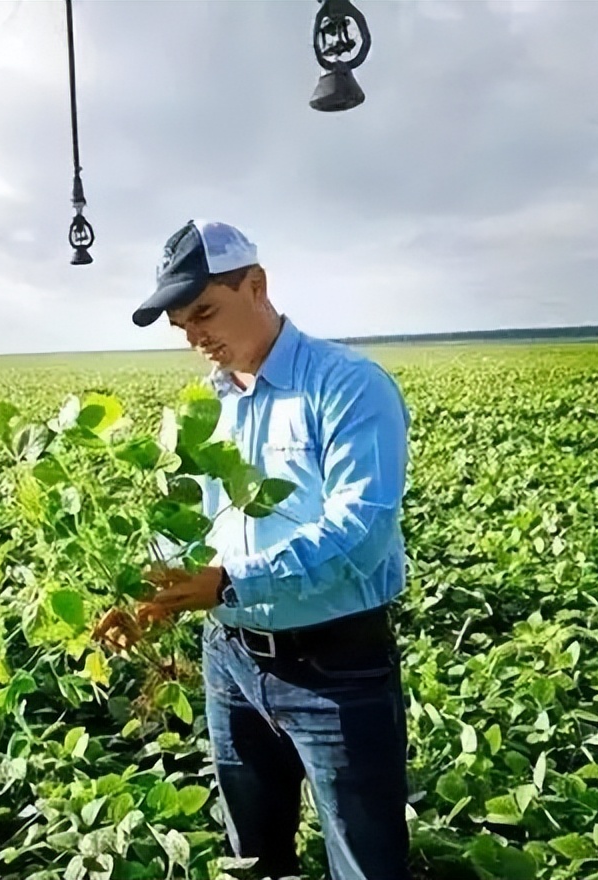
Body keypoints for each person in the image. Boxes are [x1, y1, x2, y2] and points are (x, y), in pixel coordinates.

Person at [99, 220, 413, 880]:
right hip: (230, 663)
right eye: (182, 324)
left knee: (365, 865)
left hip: (336, 665)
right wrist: (151, 597)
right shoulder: (205, 409)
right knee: (252, 858)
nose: (196, 336)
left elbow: (361, 530)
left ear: (258, 284)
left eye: (205, 311)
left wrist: (228, 582)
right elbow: (191, 530)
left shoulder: (348, 386)